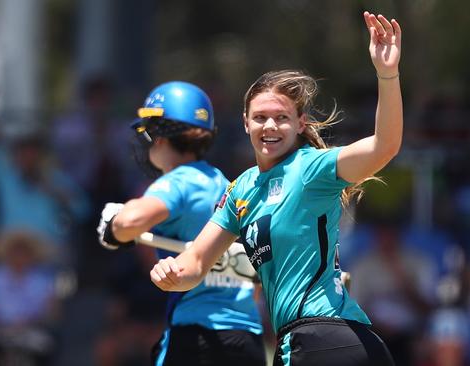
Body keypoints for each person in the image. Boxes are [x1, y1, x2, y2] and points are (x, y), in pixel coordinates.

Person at [149, 11, 402, 366]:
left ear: (300, 123)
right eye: (260, 117)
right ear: (245, 122)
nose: (270, 126)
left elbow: (384, 146)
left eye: (282, 117)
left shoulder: (311, 168)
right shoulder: (241, 189)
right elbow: (195, 263)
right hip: (316, 341)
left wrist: (387, 75)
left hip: (325, 339)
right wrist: (170, 274)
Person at [96, 81, 265, 366]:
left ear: (158, 137)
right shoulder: (225, 183)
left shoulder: (178, 181)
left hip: (198, 337)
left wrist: (115, 224)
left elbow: (132, 221)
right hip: (247, 337)